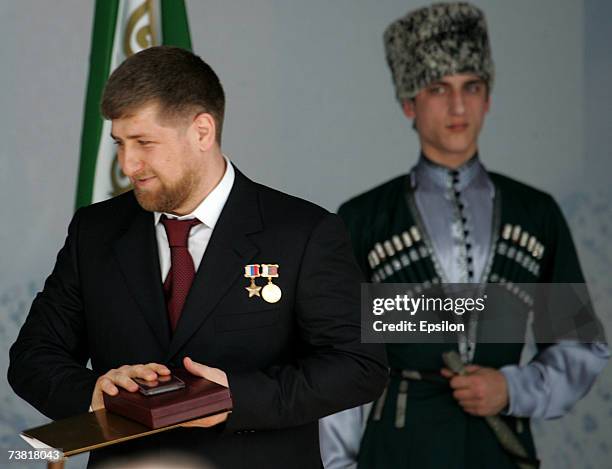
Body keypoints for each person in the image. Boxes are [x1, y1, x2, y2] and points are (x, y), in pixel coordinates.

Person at [8, 45, 388, 469]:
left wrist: (234, 399)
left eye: (144, 142)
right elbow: (32, 358)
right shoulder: (93, 232)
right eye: (119, 143)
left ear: (202, 131)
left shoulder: (305, 232)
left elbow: (359, 365)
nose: (128, 164)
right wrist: (95, 392)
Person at [319, 3, 609, 468]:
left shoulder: (536, 214)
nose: (458, 106)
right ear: (409, 104)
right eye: (439, 89)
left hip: (500, 447)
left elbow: (578, 344)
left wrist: (512, 388)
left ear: (488, 98)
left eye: (471, 87)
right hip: (398, 448)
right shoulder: (363, 219)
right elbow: (339, 363)